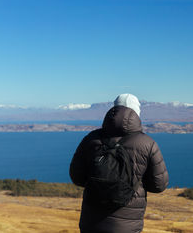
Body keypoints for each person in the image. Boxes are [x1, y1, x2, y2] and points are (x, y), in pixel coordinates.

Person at [70, 93, 169, 233]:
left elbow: (77, 177)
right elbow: (158, 185)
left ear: (113, 110)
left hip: (91, 223)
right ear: (137, 113)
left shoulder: (91, 139)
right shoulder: (147, 144)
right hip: (127, 225)